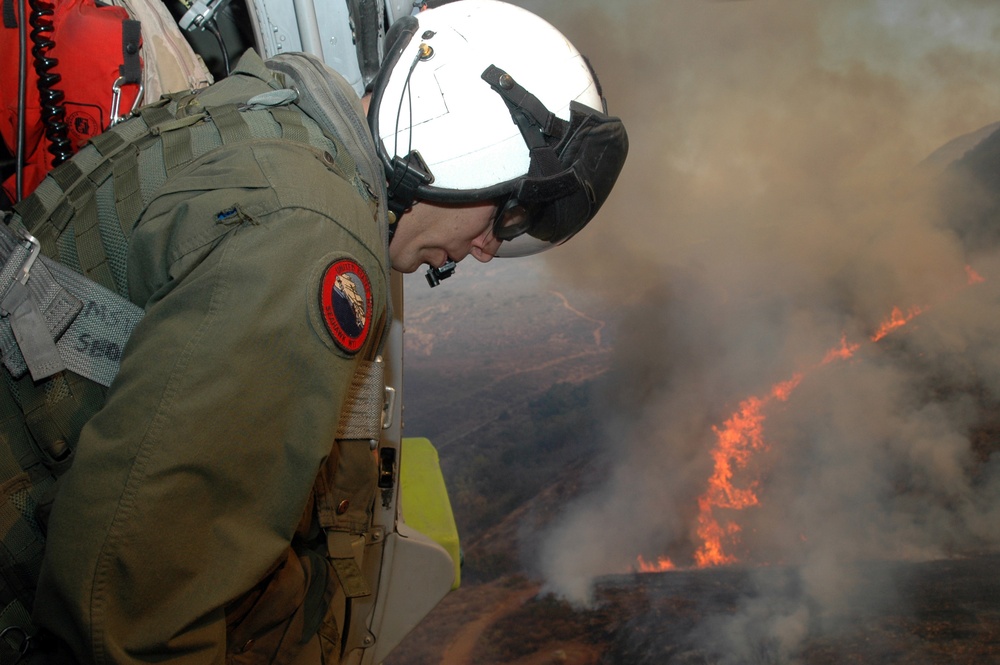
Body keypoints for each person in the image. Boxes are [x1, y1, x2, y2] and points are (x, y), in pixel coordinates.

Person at [0, 0, 627, 662]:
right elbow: (133, 608)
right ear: (469, 140)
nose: (486, 250)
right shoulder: (313, 238)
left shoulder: (275, 118)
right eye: (505, 217)